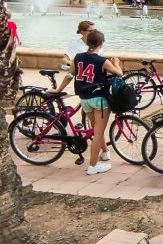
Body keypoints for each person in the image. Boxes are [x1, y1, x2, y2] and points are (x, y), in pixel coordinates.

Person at [52, 30, 123, 175]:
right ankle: (93, 166)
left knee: (96, 127)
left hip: (84, 99)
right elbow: (119, 74)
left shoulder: (78, 58)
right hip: (99, 100)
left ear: (87, 42)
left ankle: (105, 152)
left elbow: (70, 75)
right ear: (102, 43)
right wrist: (117, 63)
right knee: (98, 132)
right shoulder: (102, 60)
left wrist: (58, 89)